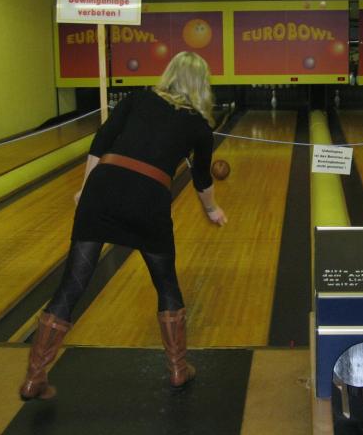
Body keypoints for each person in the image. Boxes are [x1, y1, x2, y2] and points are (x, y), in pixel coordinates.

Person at [19, 51, 227, 401]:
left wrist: (86, 188)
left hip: (103, 190)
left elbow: (101, 141)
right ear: (202, 84)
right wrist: (212, 210)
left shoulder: (137, 99)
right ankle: (178, 369)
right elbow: (202, 178)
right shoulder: (199, 126)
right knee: (166, 284)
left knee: (72, 285)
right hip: (148, 199)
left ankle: (33, 378)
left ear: (169, 73)